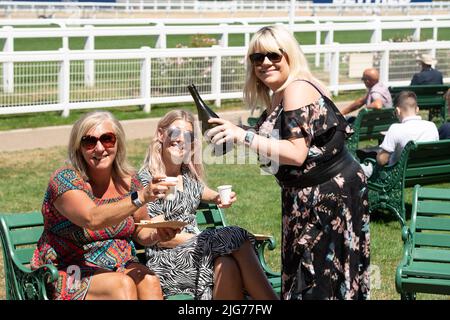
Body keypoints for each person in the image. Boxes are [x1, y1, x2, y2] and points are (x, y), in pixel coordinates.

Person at [206, 25, 370, 300]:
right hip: (304, 197)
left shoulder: (296, 89)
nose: (265, 63)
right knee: (310, 279)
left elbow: (296, 152)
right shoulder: (279, 93)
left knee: (318, 282)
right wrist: (233, 134)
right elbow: (275, 140)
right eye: (257, 58)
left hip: (326, 197)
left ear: (289, 55)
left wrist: (242, 135)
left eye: (273, 55)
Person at [30, 111, 179, 300]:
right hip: (67, 270)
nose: (99, 148)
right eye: (89, 142)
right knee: (121, 285)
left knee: (149, 281)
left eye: (107, 139)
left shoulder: (129, 181)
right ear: (78, 148)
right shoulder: (64, 179)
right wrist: (140, 196)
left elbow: (140, 230)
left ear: (118, 143)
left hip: (119, 265)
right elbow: (91, 218)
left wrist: (157, 233)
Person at [137, 109, 278, 300]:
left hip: (199, 251)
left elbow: (202, 191)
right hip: (169, 261)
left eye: (188, 136)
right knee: (236, 236)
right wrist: (205, 239)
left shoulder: (187, 176)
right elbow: (161, 238)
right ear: (161, 134)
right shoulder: (147, 181)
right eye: (175, 132)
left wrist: (219, 197)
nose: (181, 139)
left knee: (226, 265)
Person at [376, 91, 439, 166]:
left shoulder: (395, 129)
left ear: (397, 111)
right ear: (417, 110)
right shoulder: (432, 126)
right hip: (427, 173)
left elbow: (382, 161)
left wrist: (378, 154)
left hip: (400, 175)